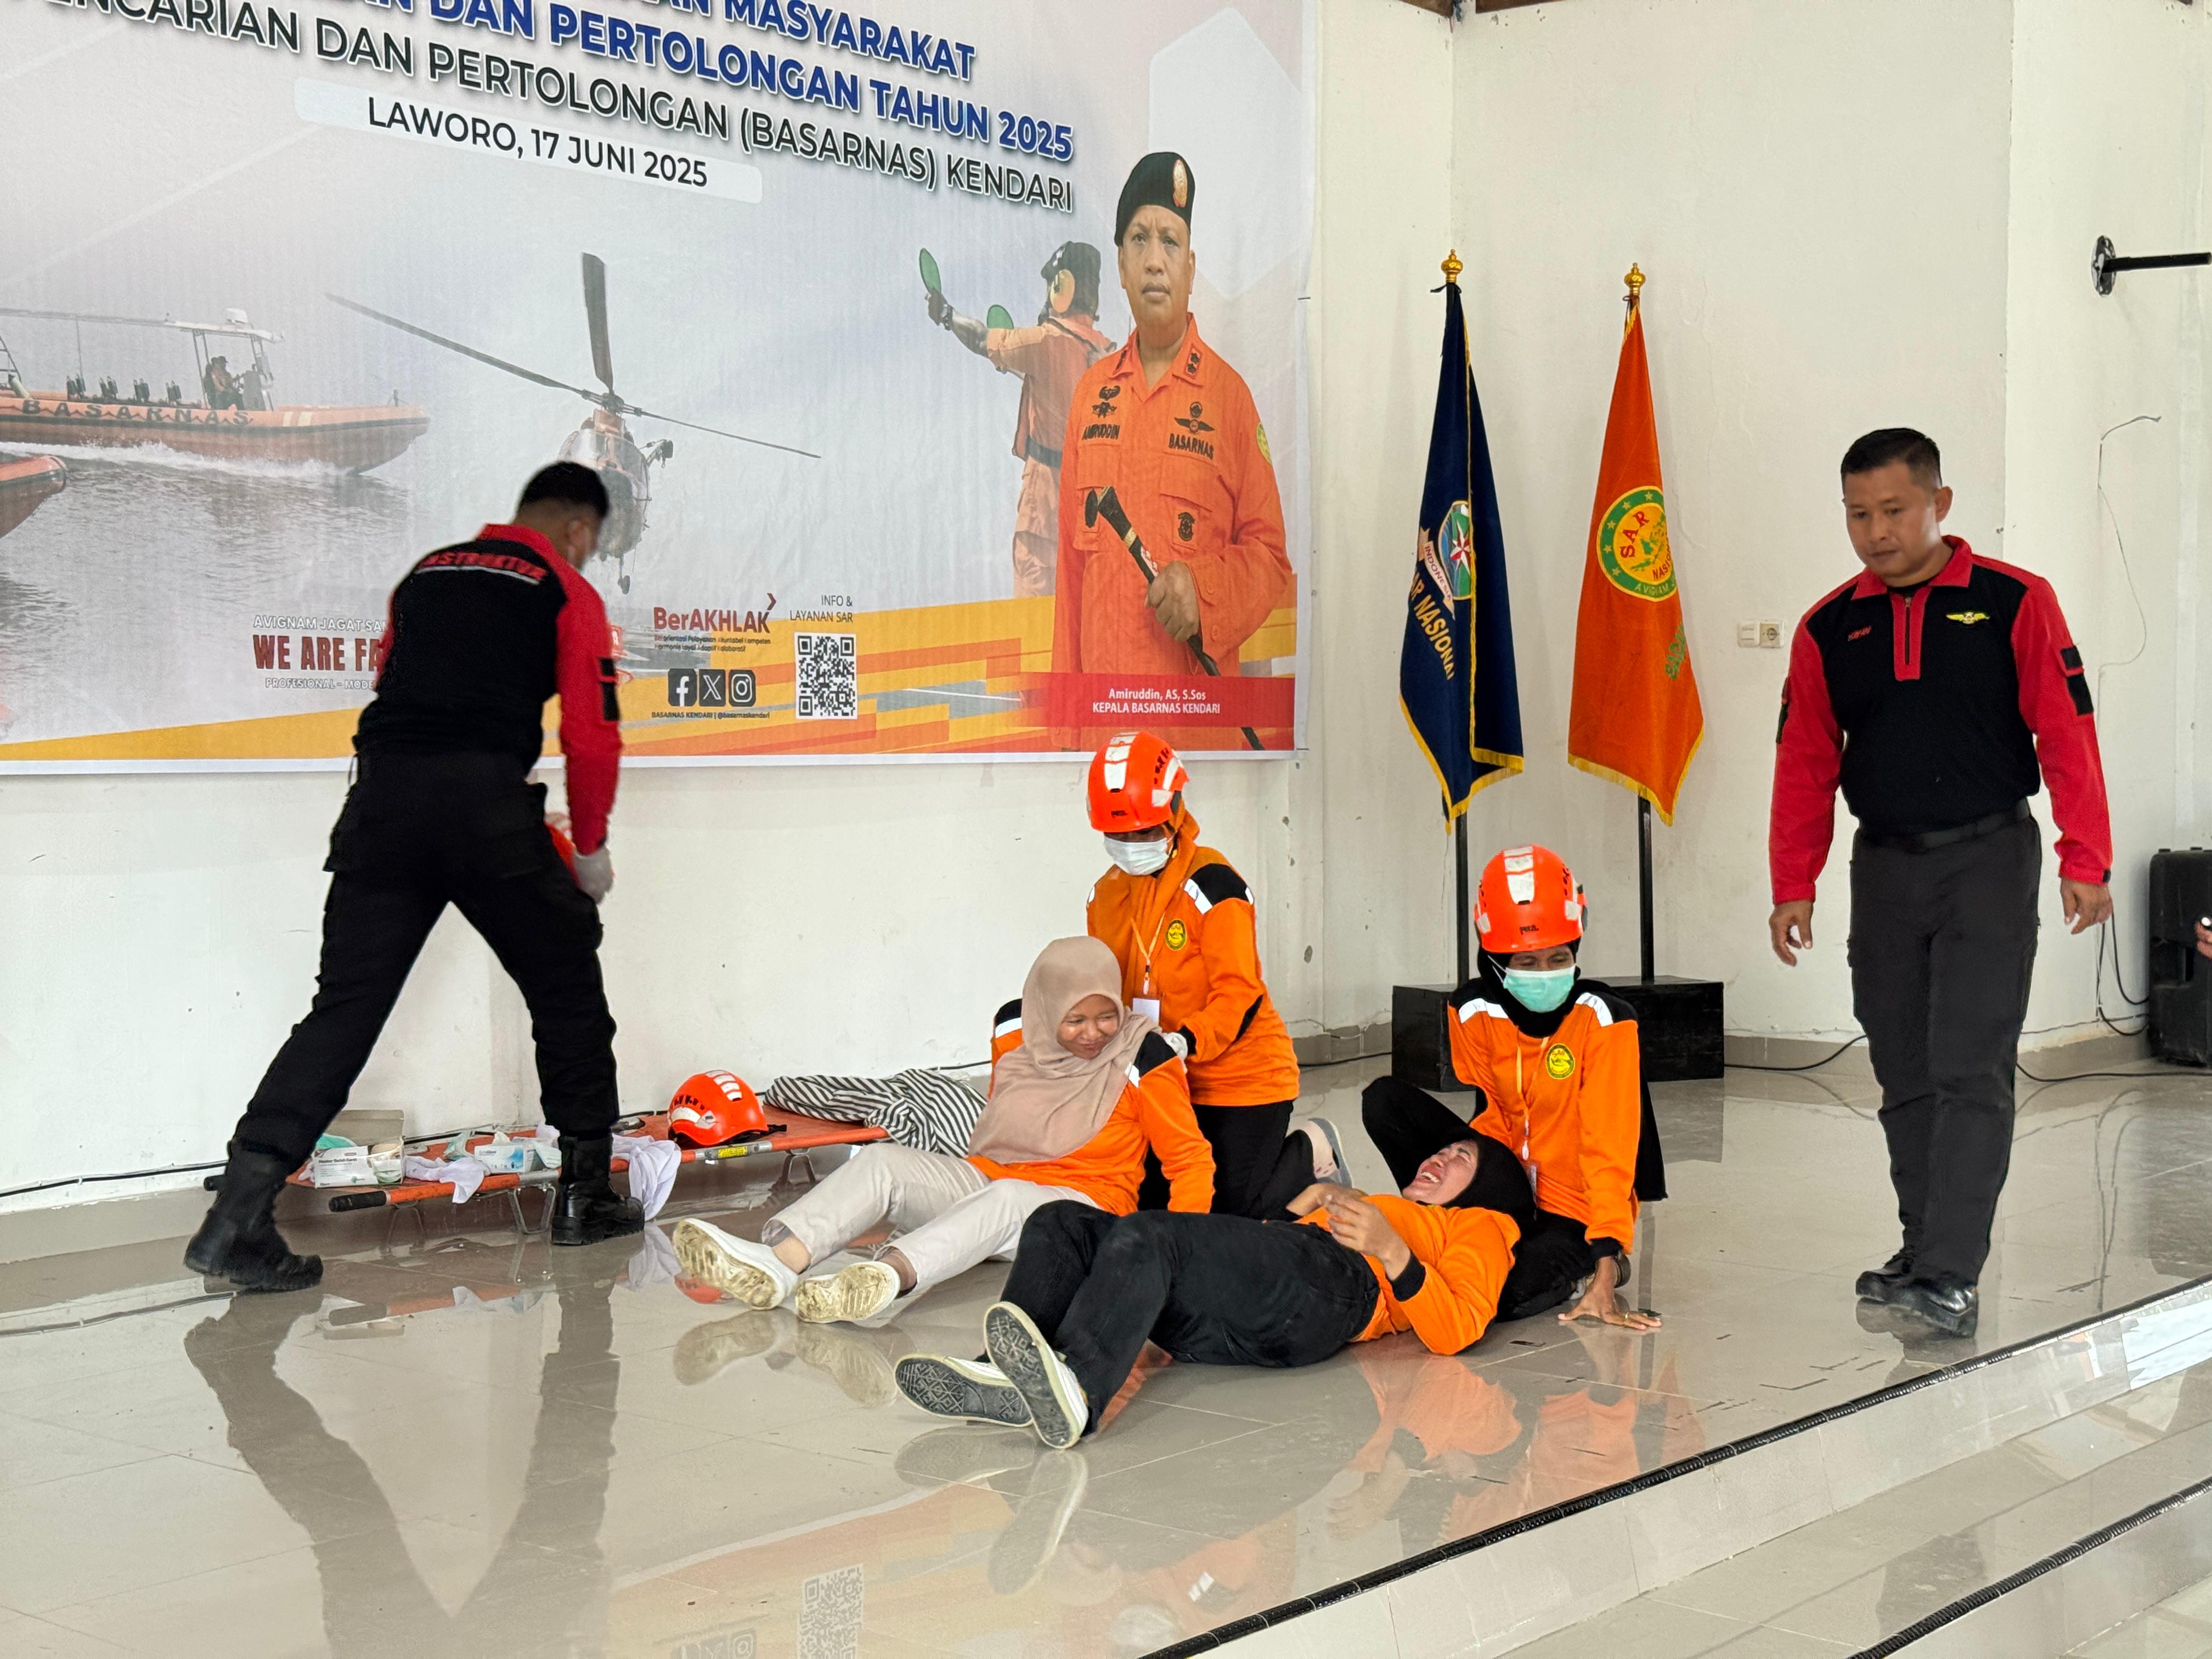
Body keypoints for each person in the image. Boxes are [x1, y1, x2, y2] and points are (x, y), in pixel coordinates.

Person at [185, 462, 634, 1291]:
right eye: (594, 540)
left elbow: (392, 680)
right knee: (567, 986)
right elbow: (592, 733)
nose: (590, 552)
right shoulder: (565, 588)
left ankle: (236, 1217)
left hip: (382, 807)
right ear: (578, 528)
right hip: (486, 810)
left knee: (344, 1009)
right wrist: (591, 851)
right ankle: (585, 1194)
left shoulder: (424, 575)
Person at [1769, 428, 2113, 1336]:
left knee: (1968, 1063)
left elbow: (2066, 730)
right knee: (1902, 1066)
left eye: (1893, 510)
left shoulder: (2013, 601)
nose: (1875, 532)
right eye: (1857, 514)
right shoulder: (1827, 627)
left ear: (1940, 504)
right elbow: (1803, 761)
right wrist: (1792, 881)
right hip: (1884, 865)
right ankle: (1921, 1247)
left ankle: (1952, 1271)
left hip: (1988, 860)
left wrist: (2086, 856)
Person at [671, 937, 1212, 1325]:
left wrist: (1175, 1258)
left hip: (1084, 1214)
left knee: (1008, 1197)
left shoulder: (1144, 1058)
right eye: (1075, 1020)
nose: (1093, 1034)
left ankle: (887, 1279)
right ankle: (779, 1264)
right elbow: (1009, 1123)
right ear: (1047, 1013)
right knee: (884, 1163)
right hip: (989, 1184)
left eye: (1106, 1017)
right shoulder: (1017, 1038)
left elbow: (1190, 1161)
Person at [891, 1149, 1520, 1448]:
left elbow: (1458, 1328)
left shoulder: (1483, 1225)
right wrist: (1308, 1207)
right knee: (1060, 1222)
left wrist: (1392, 1251)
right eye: (1442, 1150)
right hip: (1250, 1308)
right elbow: (1254, 1253)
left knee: (1150, 1235)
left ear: (1486, 1185)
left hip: (1336, 1290)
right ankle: (1003, 1376)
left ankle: (1078, 1391)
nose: (1439, 1158)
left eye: (1460, 1158)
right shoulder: (1387, 1203)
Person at [1364, 844, 1666, 1329]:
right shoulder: (1471, 1010)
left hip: (1573, 1207)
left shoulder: (1605, 1022)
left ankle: (1583, 1263)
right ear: (1498, 961)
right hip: (1504, 1176)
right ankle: (1430, 1219)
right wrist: (1481, 1193)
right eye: (1527, 962)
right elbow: (1495, 1113)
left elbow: (1610, 1145)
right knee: (1384, 1101)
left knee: (1502, 1299)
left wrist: (1606, 1254)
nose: (1545, 973)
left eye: (1558, 958)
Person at [1052, 153, 1294, 713]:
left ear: (1190, 265)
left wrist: (1204, 592)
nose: (1155, 261)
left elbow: (1269, 559)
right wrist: (1067, 735)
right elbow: (1069, 576)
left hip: (1195, 733)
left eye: (1169, 241)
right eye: (1139, 239)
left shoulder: (1229, 400)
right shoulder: (1090, 396)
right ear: (1121, 265)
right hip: (1106, 732)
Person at [1080, 729, 1314, 1218]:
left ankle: (1312, 1150)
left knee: (1230, 1216)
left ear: (1175, 813)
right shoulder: (1104, 897)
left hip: (1242, 1079)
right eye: (1119, 836)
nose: (1132, 845)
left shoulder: (1214, 885)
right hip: (1162, 1079)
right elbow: (1103, 988)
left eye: (1145, 833)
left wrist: (1186, 1041)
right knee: (1148, 1206)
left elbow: (1240, 992)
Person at [930, 240, 1114, 597]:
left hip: (1046, 516)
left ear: (1063, 287)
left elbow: (981, 339)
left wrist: (947, 315)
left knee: (1034, 622)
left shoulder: (1045, 342)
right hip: (1095, 521)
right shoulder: (1108, 354)